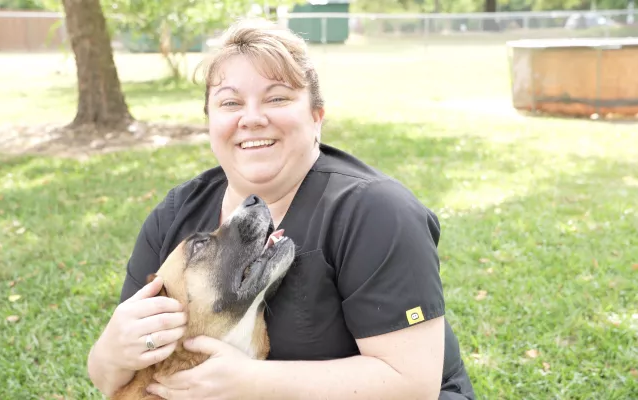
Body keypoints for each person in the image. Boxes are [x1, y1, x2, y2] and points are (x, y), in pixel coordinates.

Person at [86, 18, 475, 400]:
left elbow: (412, 384)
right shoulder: (175, 216)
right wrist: (110, 351)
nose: (252, 119)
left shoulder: (376, 212)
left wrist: (253, 383)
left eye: (277, 98)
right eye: (230, 102)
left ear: (316, 116)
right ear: (211, 122)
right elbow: (111, 380)